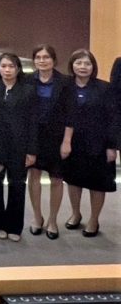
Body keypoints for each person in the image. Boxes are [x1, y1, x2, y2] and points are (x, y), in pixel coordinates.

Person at [60, 49, 118, 238]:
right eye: (78, 63)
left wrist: (112, 146)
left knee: (97, 183)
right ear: (72, 65)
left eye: (87, 63)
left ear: (93, 66)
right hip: (72, 143)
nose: (83, 67)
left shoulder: (105, 88)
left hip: (99, 144)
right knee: (73, 180)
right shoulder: (65, 87)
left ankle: (94, 219)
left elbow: (114, 118)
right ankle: (76, 213)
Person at [0, 53, 34, 242]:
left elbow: (33, 123)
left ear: (18, 69)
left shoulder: (28, 90)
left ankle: (15, 226)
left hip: (19, 147)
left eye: (11, 66)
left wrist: (32, 150)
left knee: (17, 185)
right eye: (3, 66)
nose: (7, 70)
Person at [26, 44, 69, 239]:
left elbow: (70, 114)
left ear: (54, 60)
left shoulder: (65, 82)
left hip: (57, 137)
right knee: (34, 176)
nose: (42, 61)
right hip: (34, 136)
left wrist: (67, 141)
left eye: (46, 57)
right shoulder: (27, 80)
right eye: (38, 57)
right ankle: (37, 217)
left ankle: (52, 220)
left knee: (56, 179)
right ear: (34, 60)